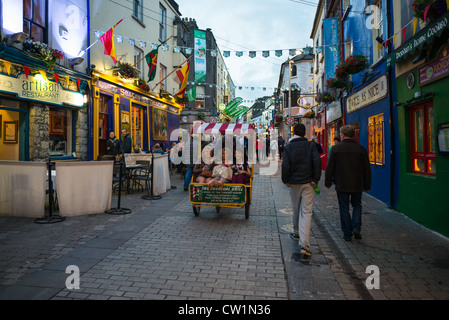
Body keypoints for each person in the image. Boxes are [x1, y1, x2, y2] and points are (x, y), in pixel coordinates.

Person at [325, 125, 371, 241]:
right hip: (357, 183)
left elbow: (330, 167)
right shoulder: (361, 149)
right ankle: (356, 227)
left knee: (344, 207)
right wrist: (367, 184)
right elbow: (367, 168)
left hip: (342, 183)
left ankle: (347, 233)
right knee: (357, 205)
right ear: (353, 135)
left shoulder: (336, 149)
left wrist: (328, 182)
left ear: (342, 135)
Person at [282, 123, 322, 257]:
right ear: (305, 133)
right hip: (308, 183)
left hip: (294, 183)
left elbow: (285, 165)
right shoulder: (311, 145)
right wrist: (315, 179)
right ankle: (305, 244)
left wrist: (285, 180)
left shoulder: (288, 147)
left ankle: (296, 231)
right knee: (307, 212)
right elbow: (317, 161)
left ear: (293, 132)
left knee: (295, 208)